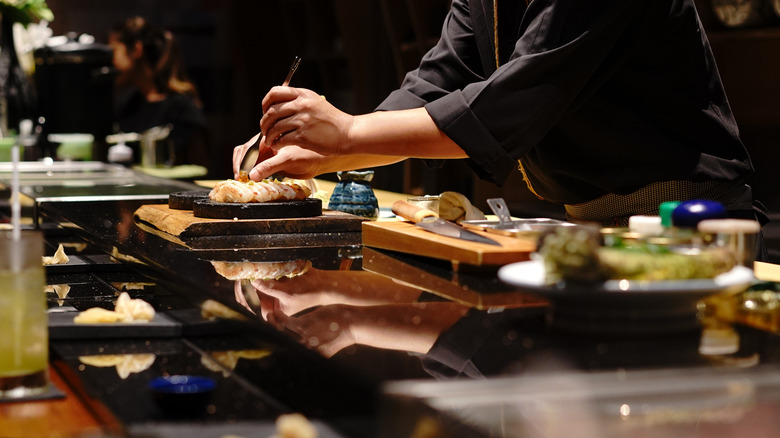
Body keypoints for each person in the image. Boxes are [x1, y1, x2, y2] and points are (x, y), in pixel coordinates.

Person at [235, 0, 768, 255]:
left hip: (690, 222)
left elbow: (513, 103)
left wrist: (347, 136)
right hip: (595, 225)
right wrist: (315, 148)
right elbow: (435, 83)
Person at [109, 16, 209, 168]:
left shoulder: (182, 109)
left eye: (115, 51)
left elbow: (201, 169)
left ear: (136, 50)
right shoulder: (129, 103)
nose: (112, 61)